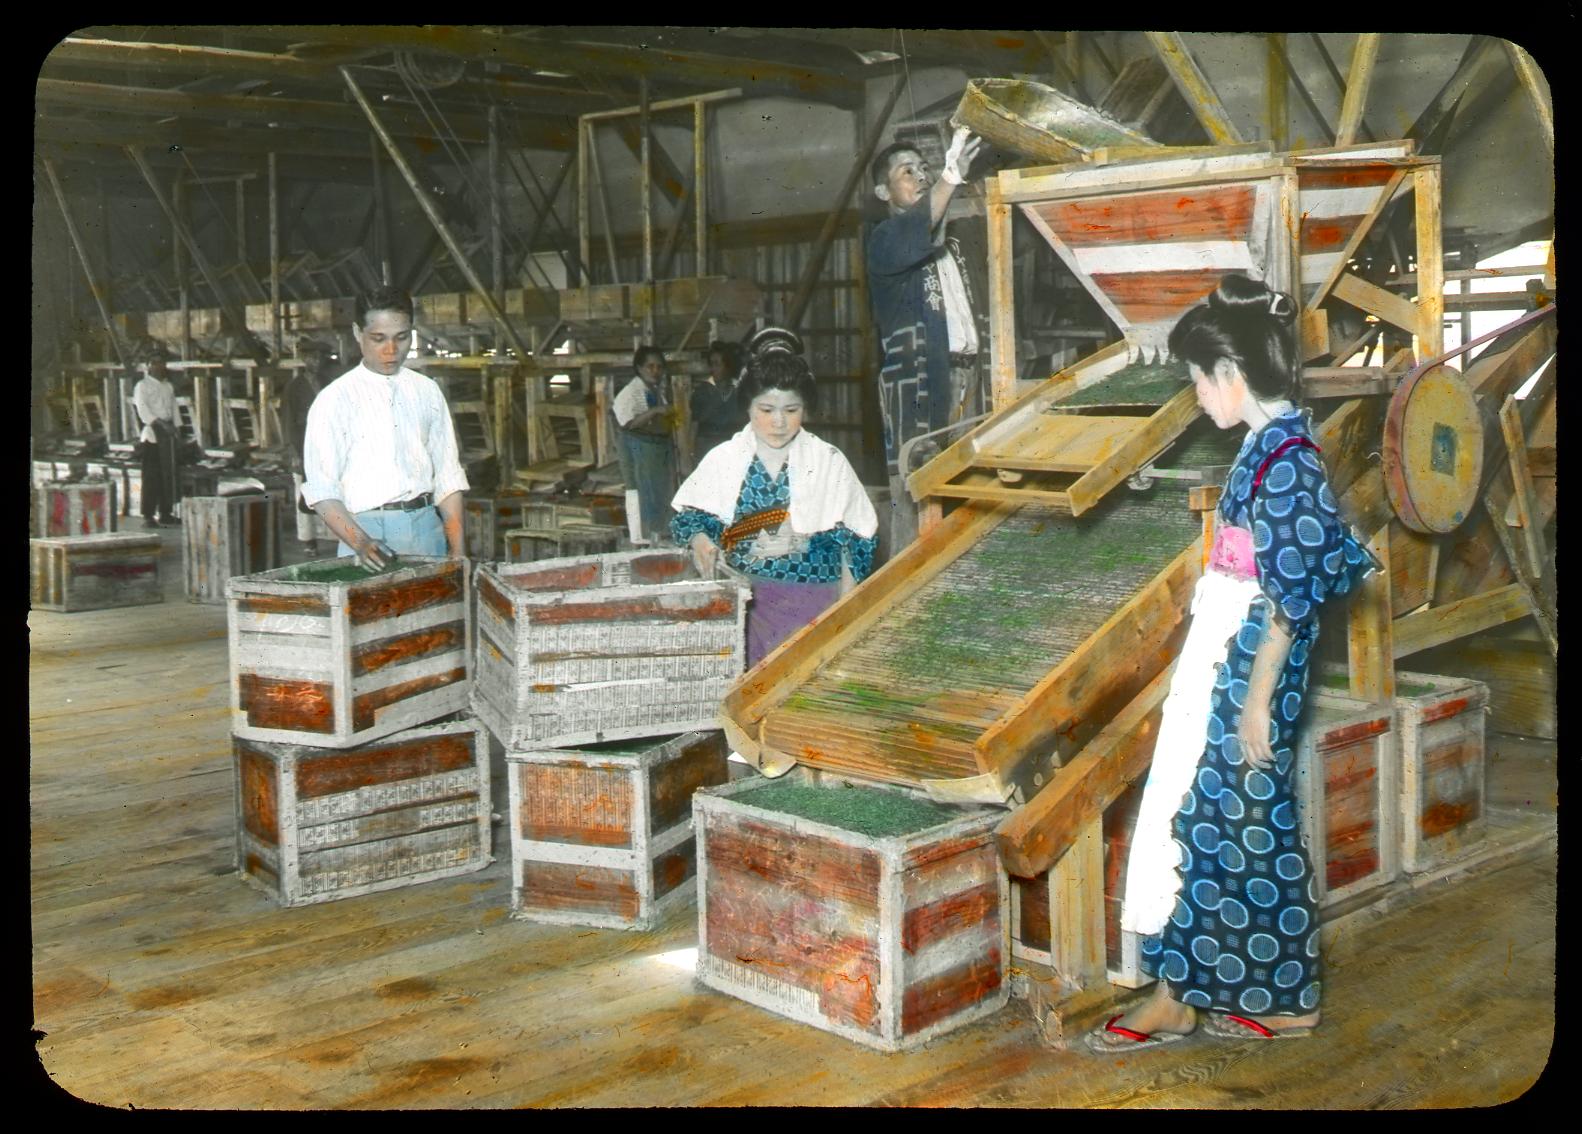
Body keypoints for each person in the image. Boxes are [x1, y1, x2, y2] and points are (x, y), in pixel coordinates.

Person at [1087, 275, 1377, 1054]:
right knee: (1220, 823)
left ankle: (1249, 998)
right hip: (1234, 652)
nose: (1196, 397)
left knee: (1242, 823)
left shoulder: (1289, 463)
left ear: (1229, 377)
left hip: (1252, 664)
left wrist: (1254, 702)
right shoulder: (1267, 443)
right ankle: (1202, 992)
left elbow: (1291, 598)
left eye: (1196, 382)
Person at [671, 328, 878, 668]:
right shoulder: (726, 458)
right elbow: (689, 517)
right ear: (747, 407)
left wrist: (804, 545)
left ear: (805, 410)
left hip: (812, 605)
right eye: (766, 409)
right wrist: (700, 541)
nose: (778, 422)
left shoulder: (828, 460)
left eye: (791, 410)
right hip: (748, 607)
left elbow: (858, 540)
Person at [865, 126, 986, 553]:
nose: (920, 176)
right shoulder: (884, 240)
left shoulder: (950, 242)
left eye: (924, 168)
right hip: (920, 385)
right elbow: (919, 228)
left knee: (969, 493)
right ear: (883, 191)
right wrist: (950, 177)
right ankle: (901, 601)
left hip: (968, 378)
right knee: (918, 497)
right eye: (906, 171)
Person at [300, 287, 468, 569]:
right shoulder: (334, 400)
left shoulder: (427, 391)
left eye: (401, 338)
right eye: (378, 339)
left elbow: (448, 478)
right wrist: (361, 542)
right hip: (366, 538)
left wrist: (459, 551)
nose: (391, 351)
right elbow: (322, 491)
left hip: (427, 530)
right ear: (357, 332)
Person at [613, 345, 678, 544]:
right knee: (639, 495)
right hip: (637, 450)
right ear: (639, 368)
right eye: (650, 366)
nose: (655, 371)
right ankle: (642, 541)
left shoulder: (655, 390)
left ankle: (656, 537)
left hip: (655, 450)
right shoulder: (630, 392)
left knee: (658, 496)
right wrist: (656, 411)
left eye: (659, 367)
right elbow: (628, 423)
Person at [283, 338, 337, 548]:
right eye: (312, 357)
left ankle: (335, 534)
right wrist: (293, 451)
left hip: (325, 445)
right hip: (302, 445)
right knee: (303, 492)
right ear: (304, 359)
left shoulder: (328, 383)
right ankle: (309, 540)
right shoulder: (294, 387)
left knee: (329, 489)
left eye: (319, 358)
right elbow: (287, 420)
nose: (316, 361)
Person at [131, 344, 180, 529]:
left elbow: (174, 408)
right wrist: (162, 424)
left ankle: (166, 512)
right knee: (152, 476)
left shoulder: (168, 386)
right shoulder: (142, 386)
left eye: (162, 363)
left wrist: (176, 428)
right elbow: (143, 410)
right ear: (148, 365)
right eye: (155, 363)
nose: (159, 366)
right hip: (152, 433)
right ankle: (148, 515)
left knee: (169, 474)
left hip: (168, 434)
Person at [692, 339, 745, 456]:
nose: (713, 369)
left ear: (728, 366)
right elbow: (694, 426)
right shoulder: (702, 391)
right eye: (711, 364)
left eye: (717, 364)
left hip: (733, 447)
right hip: (707, 448)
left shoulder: (740, 391)